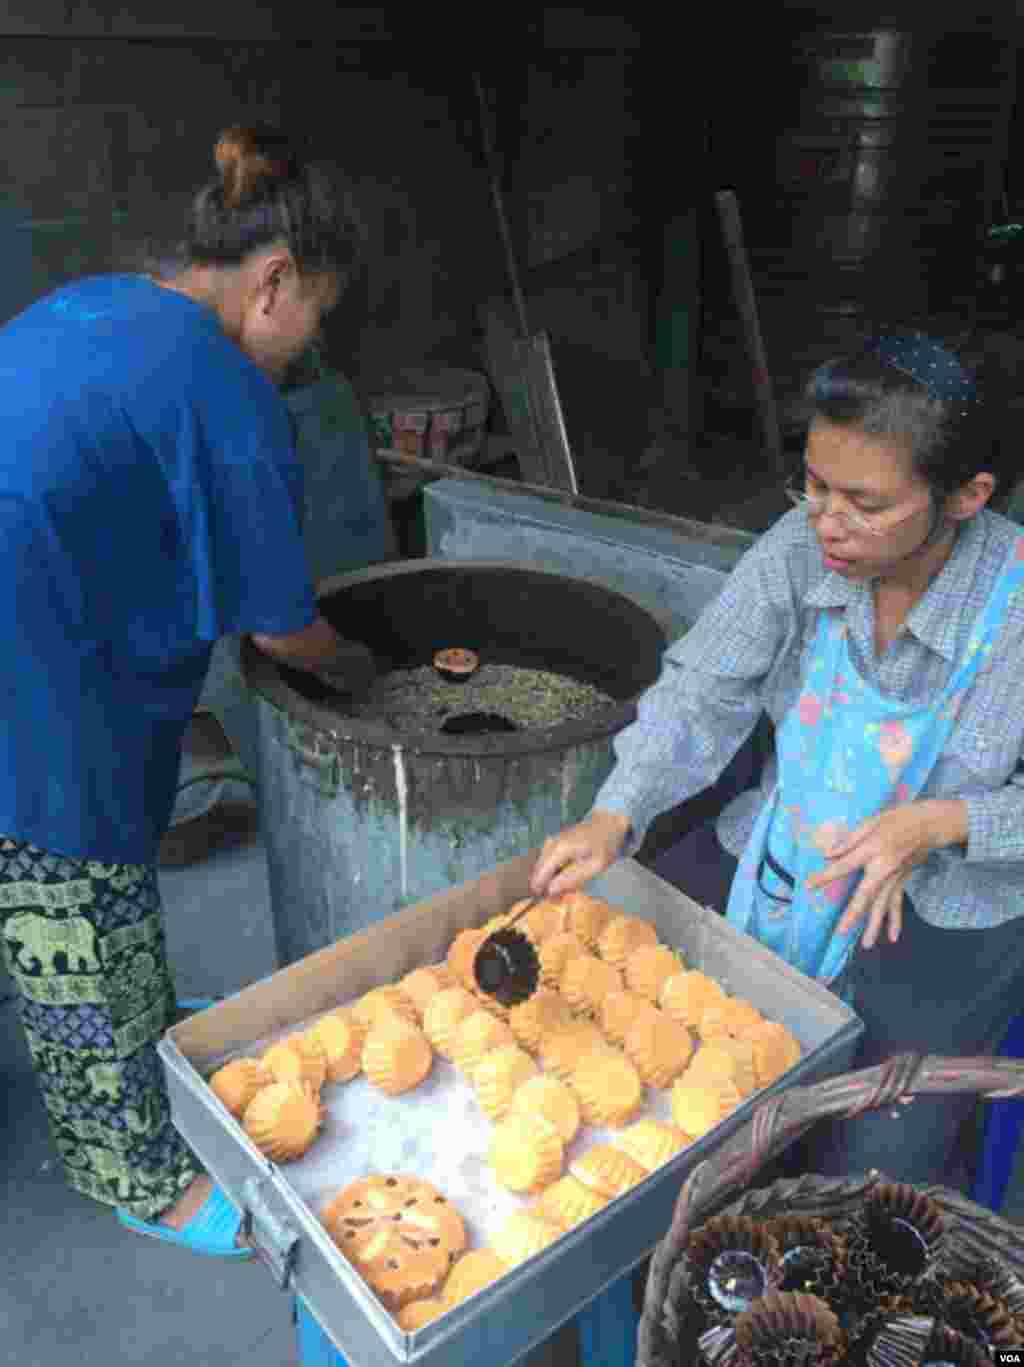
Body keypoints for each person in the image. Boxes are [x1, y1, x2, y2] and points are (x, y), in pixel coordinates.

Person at [0, 124, 380, 1256]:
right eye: (316, 315)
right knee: (74, 890)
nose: (307, 348)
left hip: (32, 606)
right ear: (275, 282)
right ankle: (140, 1172)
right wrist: (366, 672)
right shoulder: (225, 388)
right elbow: (278, 621)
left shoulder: (96, 302)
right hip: (30, 666)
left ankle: (124, 1035)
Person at [531, 333, 1024, 1190]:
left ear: (967, 496)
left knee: (869, 1157)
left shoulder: (1014, 609)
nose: (826, 520)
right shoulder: (803, 548)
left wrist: (949, 821)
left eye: (864, 503)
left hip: (947, 902)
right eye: (815, 483)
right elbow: (703, 688)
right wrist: (619, 809)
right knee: (651, 1046)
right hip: (787, 838)